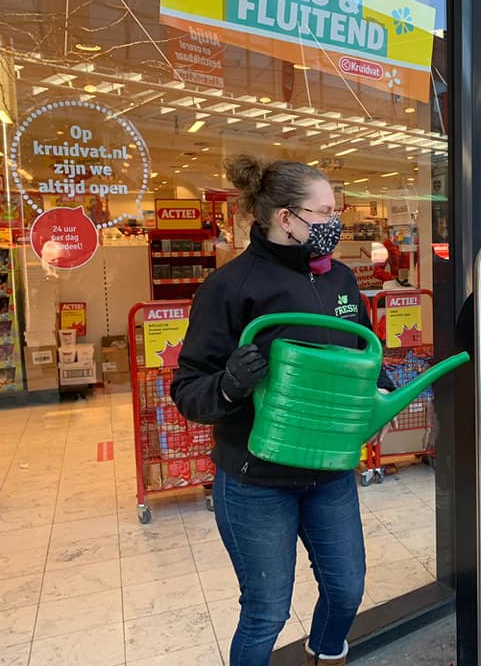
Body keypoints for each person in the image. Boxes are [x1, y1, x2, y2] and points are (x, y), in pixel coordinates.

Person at [172, 155, 395, 666]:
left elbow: (365, 352)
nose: (334, 224)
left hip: (330, 471)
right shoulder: (230, 287)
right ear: (286, 218)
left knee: (346, 592)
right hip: (256, 481)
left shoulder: (340, 279)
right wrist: (229, 384)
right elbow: (188, 390)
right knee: (266, 613)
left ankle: (325, 654)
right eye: (323, 213)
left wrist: (376, 386)